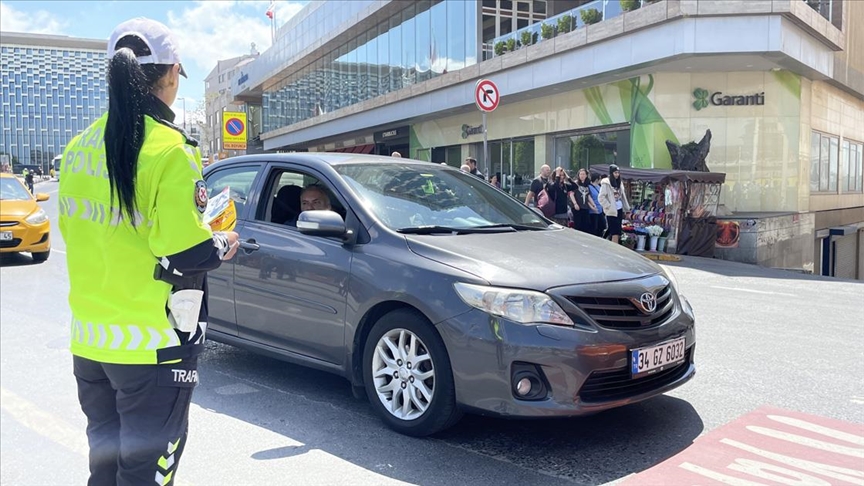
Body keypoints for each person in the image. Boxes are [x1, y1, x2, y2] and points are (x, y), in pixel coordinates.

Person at [58, 18, 239, 486]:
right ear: (173, 73)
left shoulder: (78, 149)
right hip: (151, 348)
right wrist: (222, 242)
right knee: (145, 474)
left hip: (90, 343)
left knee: (105, 465)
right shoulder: (168, 148)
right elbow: (185, 253)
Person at [599, 164, 631, 243]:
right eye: (615, 172)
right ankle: (615, 249)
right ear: (611, 173)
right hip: (611, 211)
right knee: (615, 232)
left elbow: (623, 197)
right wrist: (608, 206)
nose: (617, 174)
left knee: (617, 230)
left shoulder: (619, 183)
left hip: (619, 209)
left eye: (618, 172)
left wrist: (627, 210)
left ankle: (605, 242)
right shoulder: (606, 183)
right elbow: (601, 197)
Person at [570, 168, 597, 233]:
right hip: (577, 208)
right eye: (581, 174)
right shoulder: (575, 184)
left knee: (586, 225)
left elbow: (588, 196)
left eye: (583, 174)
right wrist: (575, 204)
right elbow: (571, 194)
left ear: (586, 175)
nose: (582, 176)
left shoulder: (587, 185)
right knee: (578, 226)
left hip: (585, 207)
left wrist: (593, 205)